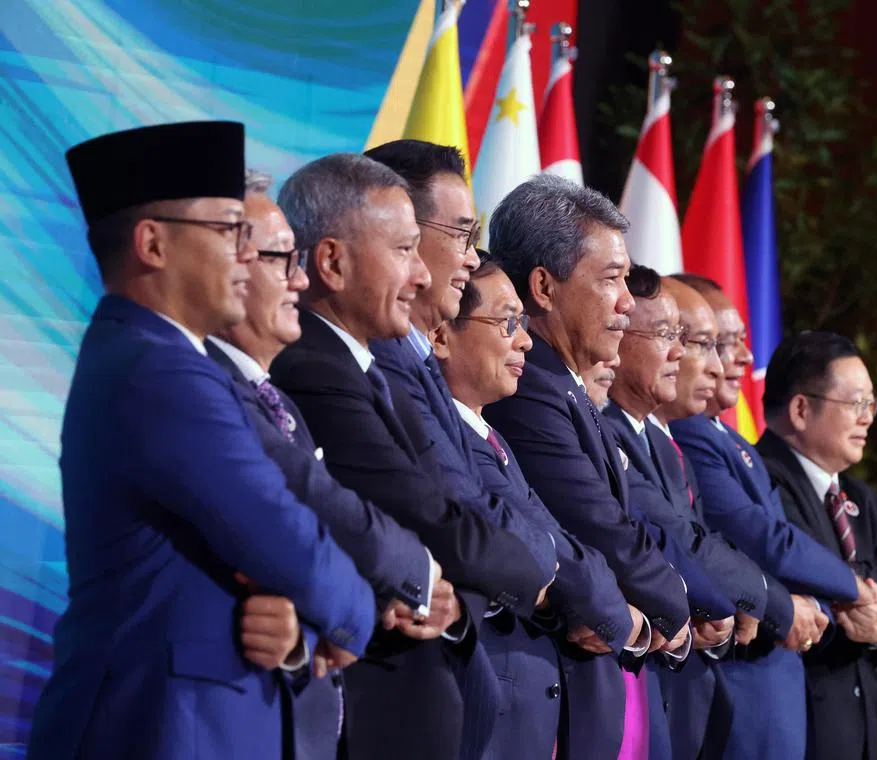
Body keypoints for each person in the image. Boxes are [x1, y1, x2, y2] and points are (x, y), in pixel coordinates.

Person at [29, 122, 375, 760]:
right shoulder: (156, 369)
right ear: (153, 243)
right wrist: (354, 611)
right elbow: (276, 527)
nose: (245, 255)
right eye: (227, 230)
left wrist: (298, 623)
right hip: (154, 728)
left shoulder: (160, 358)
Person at [269, 153, 551, 760]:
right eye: (404, 251)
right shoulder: (314, 370)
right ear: (333, 262)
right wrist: (430, 579)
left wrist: (441, 598)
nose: (422, 277)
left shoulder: (376, 373)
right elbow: (418, 511)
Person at [207, 170, 458, 759]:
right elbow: (303, 524)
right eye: (277, 259)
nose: (295, 280)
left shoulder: (280, 395)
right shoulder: (202, 381)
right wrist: (390, 592)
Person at [482, 175, 691, 759]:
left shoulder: (564, 386)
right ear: (544, 287)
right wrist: (675, 606)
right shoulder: (528, 390)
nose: (627, 302)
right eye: (611, 280)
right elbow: (593, 525)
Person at [434, 254, 655, 758]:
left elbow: (549, 534)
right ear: (443, 335)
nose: (526, 341)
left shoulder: (491, 436)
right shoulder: (446, 438)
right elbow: (532, 540)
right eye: (507, 322)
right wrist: (611, 609)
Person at [602, 265, 806, 760]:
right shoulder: (606, 431)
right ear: (621, 337)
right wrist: (728, 601)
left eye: (683, 339)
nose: (681, 354)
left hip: (693, 684)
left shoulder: (664, 443)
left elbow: (701, 537)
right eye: (671, 336)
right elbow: (671, 536)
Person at [666, 276, 861, 760]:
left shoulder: (727, 439)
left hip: (774, 684)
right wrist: (858, 586)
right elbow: (758, 538)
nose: (743, 359)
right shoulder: (688, 434)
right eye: (720, 343)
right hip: (741, 680)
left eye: (733, 343)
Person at [757, 330, 877, 760]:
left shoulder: (862, 498)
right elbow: (816, 585)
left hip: (859, 729)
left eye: (871, 404)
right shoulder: (762, 481)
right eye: (855, 403)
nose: (868, 417)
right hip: (794, 730)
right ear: (800, 408)